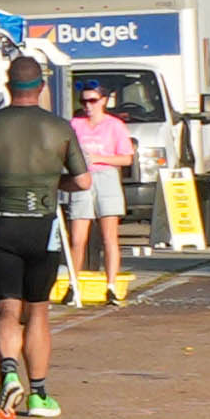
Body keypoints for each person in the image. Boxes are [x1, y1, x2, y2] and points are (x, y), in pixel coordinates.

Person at [0, 61, 82, 419]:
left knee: (5, 309)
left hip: (3, 221)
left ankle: (9, 374)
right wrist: (51, 183)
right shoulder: (59, 127)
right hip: (41, 223)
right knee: (38, 311)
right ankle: (40, 394)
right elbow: (83, 181)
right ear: (42, 85)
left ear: (8, 84)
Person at [70, 84, 136, 302]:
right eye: (84, 101)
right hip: (82, 179)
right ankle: (73, 283)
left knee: (109, 237)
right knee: (78, 238)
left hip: (106, 177)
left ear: (104, 101)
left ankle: (111, 285)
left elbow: (126, 158)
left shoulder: (114, 126)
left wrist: (99, 158)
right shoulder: (75, 124)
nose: (88, 106)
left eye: (93, 100)